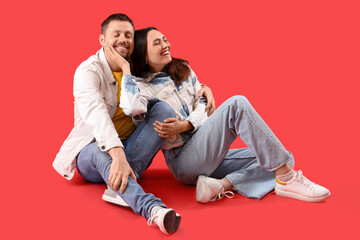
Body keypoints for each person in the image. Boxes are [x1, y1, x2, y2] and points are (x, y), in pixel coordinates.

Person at [111, 27, 330, 204]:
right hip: (183, 161)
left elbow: (204, 108)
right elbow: (131, 109)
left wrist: (187, 124)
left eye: (165, 39)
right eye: (156, 43)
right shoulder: (141, 88)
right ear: (143, 54)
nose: (165, 45)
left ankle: (221, 185)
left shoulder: (184, 70)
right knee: (237, 104)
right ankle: (287, 179)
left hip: (209, 149)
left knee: (281, 156)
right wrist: (126, 69)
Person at [52, 14, 214, 234]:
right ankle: (153, 209)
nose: (123, 39)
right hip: (93, 151)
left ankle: (117, 187)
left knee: (162, 109)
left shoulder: (136, 71)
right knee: (100, 153)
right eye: (116, 34)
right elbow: (97, 117)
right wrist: (118, 156)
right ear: (102, 39)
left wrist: (202, 88)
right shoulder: (88, 71)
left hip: (133, 152)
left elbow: (169, 85)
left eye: (128, 35)